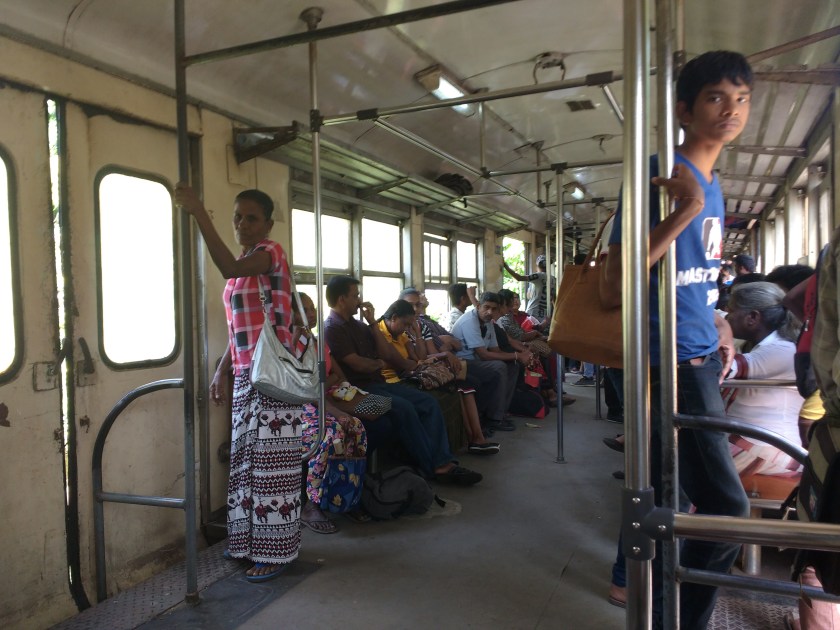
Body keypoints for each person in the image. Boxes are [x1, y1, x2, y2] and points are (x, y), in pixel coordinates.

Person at [602, 51, 754, 628]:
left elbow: (694, 281)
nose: (732, 109)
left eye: (741, 99)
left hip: (696, 351)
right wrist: (685, 207)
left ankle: (660, 607)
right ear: (684, 110)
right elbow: (618, 282)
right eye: (717, 97)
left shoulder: (714, 184)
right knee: (723, 508)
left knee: (668, 496)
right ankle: (677, 619)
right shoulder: (660, 177)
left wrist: (720, 326)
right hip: (666, 360)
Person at [174, 184, 303, 582]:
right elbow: (241, 329)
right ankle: (247, 542)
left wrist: (199, 213)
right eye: (237, 217)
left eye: (251, 218)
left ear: (268, 223)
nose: (242, 224)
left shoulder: (270, 253)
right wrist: (222, 369)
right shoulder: (247, 260)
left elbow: (228, 268)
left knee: (271, 466)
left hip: (274, 375)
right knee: (245, 462)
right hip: (247, 373)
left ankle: (276, 552)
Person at [322, 275, 482, 484]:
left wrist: (372, 323)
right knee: (404, 409)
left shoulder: (360, 326)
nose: (359, 300)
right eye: (355, 296)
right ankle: (436, 467)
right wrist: (378, 363)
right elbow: (359, 365)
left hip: (378, 383)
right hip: (357, 390)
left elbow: (385, 353)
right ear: (342, 299)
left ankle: (443, 461)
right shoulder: (332, 328)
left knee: (428, 403)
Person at [376, 299, 499, 454]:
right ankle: (473, 439)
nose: (407, 328)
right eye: (406, 324)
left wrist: (418, 334)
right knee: (457, 386)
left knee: (465, 384)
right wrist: (421, 361)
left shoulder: (404, 332)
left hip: (412, 372)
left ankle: (476, 438)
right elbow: (403, 362)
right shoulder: (380, 332)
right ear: (394, 317)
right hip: (398, 378)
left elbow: (418, 357)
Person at [294, 293, 368, 534]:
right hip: (296, 407)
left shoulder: (316, 341)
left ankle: (345, 494)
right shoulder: (289, 344)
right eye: (304, 310)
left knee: (356, 426)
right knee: (329, 434)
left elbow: (333, 376)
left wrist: (326, 387)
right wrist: (333, 409)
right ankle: (312, 503)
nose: (311, 314)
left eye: (312, 308)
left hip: (321, 400)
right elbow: (303, 387)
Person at [724, 282, 804, 476]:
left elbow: (722, 367)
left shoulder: (782, 350)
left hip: (770, 447)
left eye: (731, 311)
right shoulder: (759, 344)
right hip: (752, 440)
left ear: (752, 317)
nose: (726, 317)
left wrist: (717, 328)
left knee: (683, 458)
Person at [450, 291, 533, 431]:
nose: (490, 312)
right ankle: (494, 419)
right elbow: (484, 355)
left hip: (477, 361)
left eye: (494, 309)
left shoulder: (488, 322)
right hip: (463, 362)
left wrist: (519, 356)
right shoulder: (469, 321)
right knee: (499, 366)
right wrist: (517, 355)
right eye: (486, 307)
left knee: (513, 366)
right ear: (478, 306)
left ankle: (501, 412)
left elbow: (496, 350)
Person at [502, 254, 555, 326]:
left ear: (538, 265)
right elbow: (554, 300)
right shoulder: (554, 280)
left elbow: (519, 278)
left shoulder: (538, 276)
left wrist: (506, 266)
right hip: (545, 316)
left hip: (533, 313)